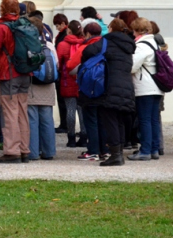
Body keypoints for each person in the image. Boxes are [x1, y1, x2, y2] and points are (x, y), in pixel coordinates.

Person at [80, 21, 136, 166]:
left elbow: (87, 52)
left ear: (111, 29)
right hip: (126, 85)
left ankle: (116, 156)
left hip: (110, 85)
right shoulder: (128, 46)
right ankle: (119, 153)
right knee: (119, 121)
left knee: (109, 120)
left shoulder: (107, 41)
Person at [0, 0, 30, 164]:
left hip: (8, 74)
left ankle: (12, 150)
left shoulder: (2, 28)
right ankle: (24, 149)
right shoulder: (25, 25)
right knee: (22, 111)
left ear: (2, 9)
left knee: (9, 112)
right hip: (25, 74)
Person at [70, 21, 106, 160]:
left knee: (90, 120)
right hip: (105, 86)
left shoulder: (85, 47)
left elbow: (70, 65)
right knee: (102, 120)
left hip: (89, 87)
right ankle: (105, 150)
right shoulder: (107, 45)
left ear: (88, 34)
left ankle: (93, 150)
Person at [129, 18, 163, 161]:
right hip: (157, 87)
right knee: (154, 120)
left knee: (145, 120)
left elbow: (132, 66)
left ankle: (145, 151)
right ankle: (154, 149)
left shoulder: (142, 45)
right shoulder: (155, 43)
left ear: (137, 30)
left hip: (145, 87)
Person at [26, 18, 57, 161]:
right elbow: (55, 63)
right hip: (48, 85)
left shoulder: (28, 44)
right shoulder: (49, 44)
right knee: (47, 120)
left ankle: (33, 153)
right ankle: (49, 151)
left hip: (32, 86)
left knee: (32, 120)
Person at [57, 21, 85, 148]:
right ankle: (84, 137)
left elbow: (58, 63)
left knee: (70, 109)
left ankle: (71, 138)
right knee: (82, 110)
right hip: (82, 81)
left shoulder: (63, 45)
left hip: (67, 81)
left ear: (69, 31)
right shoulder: (84, 44)